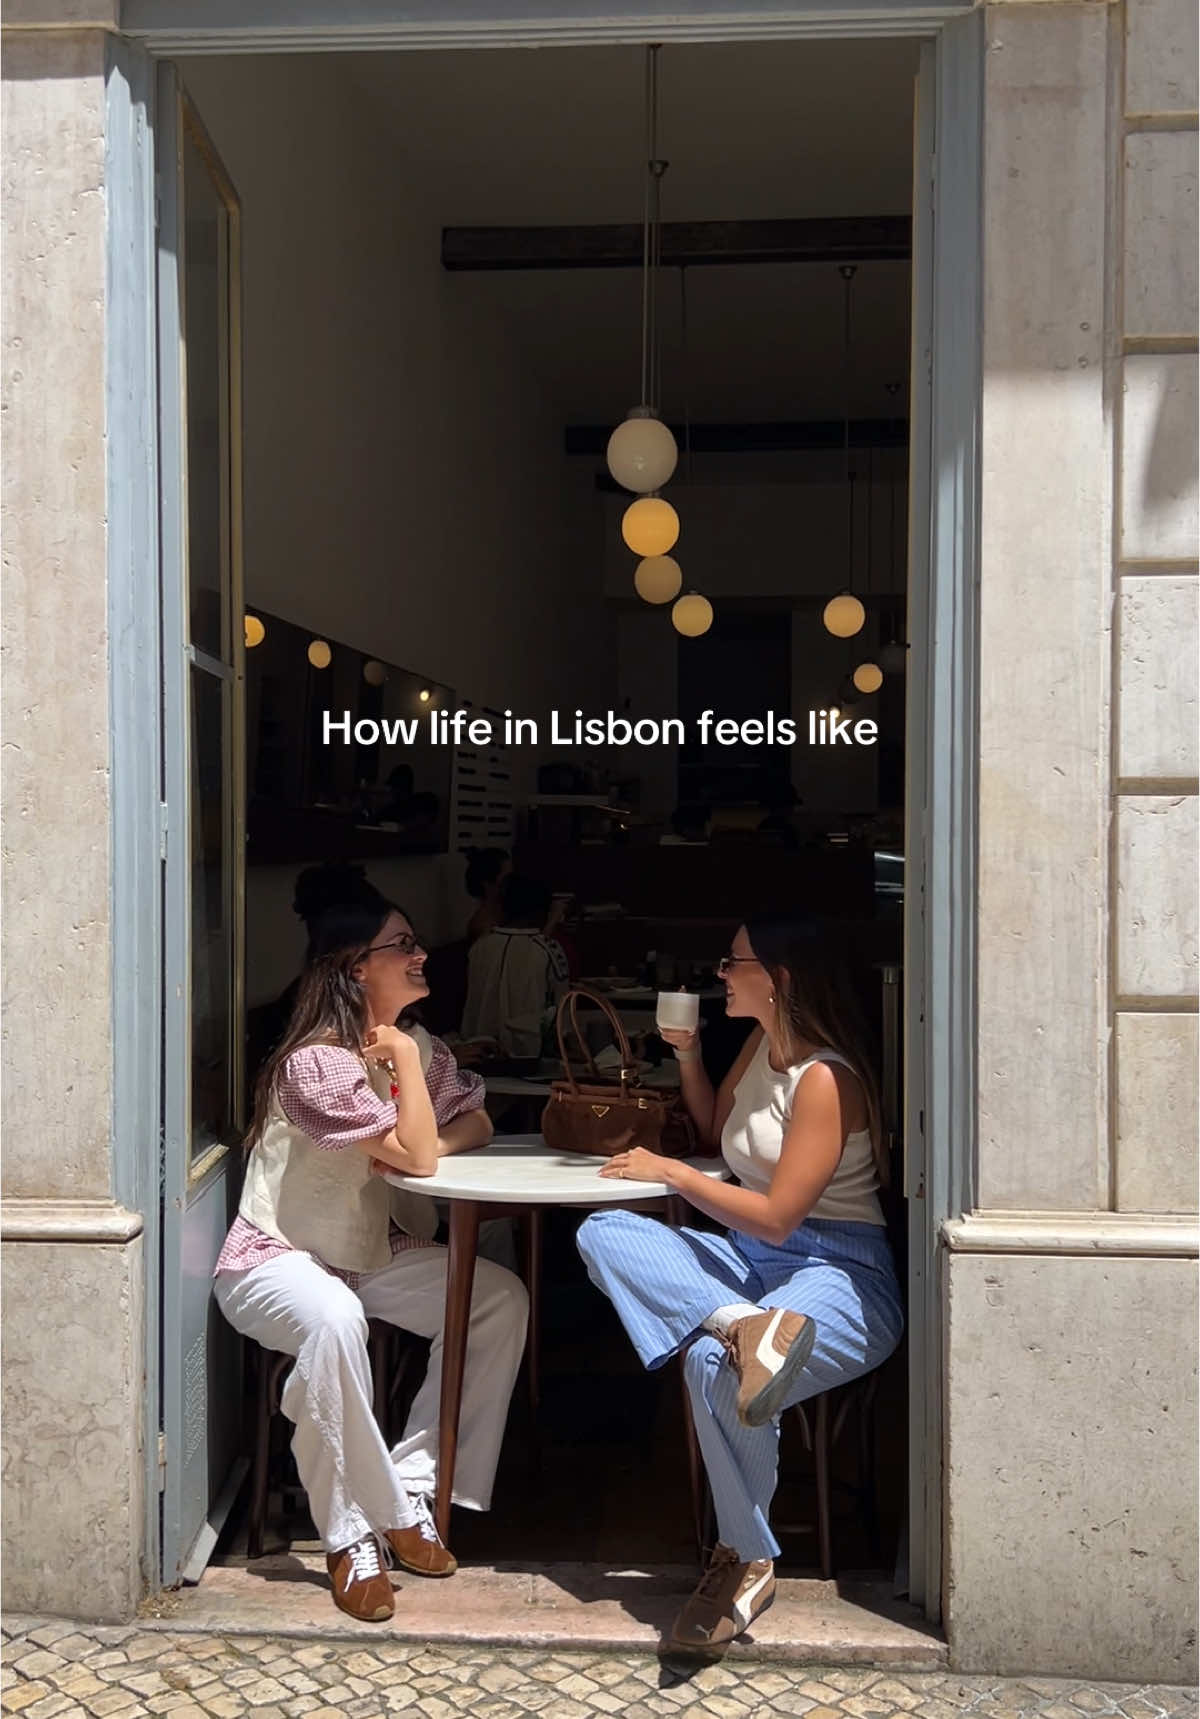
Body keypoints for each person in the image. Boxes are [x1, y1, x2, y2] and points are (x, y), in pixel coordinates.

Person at [575, 916, 902, 1657]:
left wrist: (673, 1174)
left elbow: (783, 1217)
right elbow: (714, 1127)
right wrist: (688, 1057)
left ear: (779, 977)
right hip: (751, 1265)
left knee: (708, 1366)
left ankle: (744, 1557)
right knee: (600, 1232)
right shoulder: (762, 1045)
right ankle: (738, 1322)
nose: (721, 972)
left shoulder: (825, 1076)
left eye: (735, 961)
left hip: (839, 1273)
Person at [214, 896, 528, 1623]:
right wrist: (413, 1088)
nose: (421, 955)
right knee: (334, 1321)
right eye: (403, 944)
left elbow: (473, 1119)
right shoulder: (314, 1063)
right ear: (357, 968)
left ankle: (413, 1486)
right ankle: (353, 1530)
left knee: (496, 1298)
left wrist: (422, 1118)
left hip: (365, 1251)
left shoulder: (410, 1040)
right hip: (274, 1255)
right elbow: (414, 1149)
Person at [460, 874, 569, 1061]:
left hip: (475, 1055)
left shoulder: (480, 947)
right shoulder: (548, 951)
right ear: (544, 910)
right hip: (529, 1060)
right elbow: (563, 1016)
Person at [463, 847, 511, 944]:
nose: (513, 882)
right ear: (488, 884)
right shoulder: (483, 926)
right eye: (507, 878)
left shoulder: (504, 915)